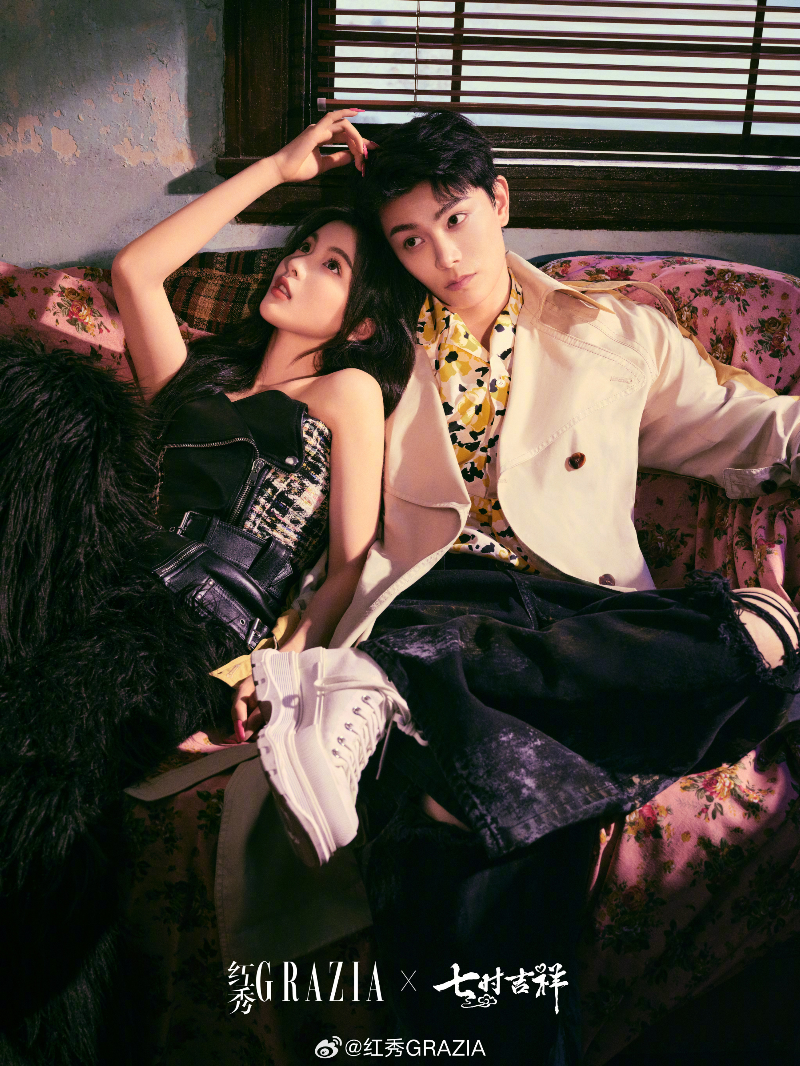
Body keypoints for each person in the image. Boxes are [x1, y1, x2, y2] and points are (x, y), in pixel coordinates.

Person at [233, 111, 800, 1062]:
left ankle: (396, 688)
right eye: (410, 239)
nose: (443, 255)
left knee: (498, 774)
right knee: (508, 798)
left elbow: (741, 427)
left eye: (455, 219)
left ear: (499, 200)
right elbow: (267, 406)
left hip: (578, 608)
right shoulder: (373, 342)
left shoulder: (611, 330)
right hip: (439, 596)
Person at [112, 110, 422, 686]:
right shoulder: (194, 378)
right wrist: (278, 168)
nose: (296, 264)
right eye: (303, 246)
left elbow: (348, 567)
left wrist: (279, 669)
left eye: (331, 266)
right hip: (111, 577)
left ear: (362, 326)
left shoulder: (345, 390)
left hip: (203, 628)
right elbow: (134, 272)